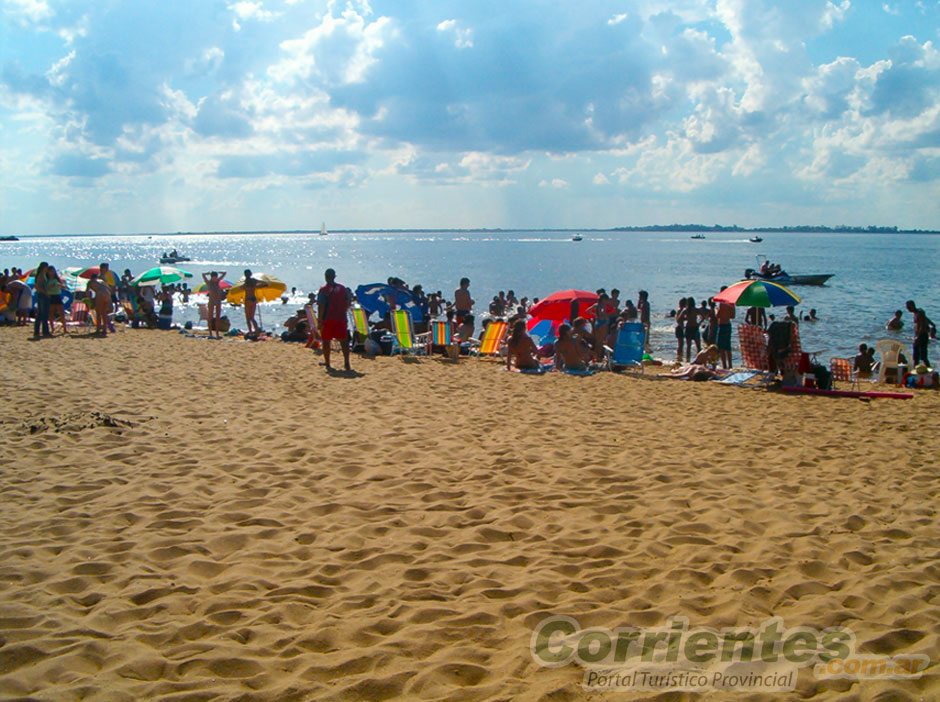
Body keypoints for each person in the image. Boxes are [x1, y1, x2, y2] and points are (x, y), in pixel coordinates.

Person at [317, 268, 352, 371]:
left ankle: (327, 363)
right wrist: (343, 311)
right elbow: (348, 302)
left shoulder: (323, 290)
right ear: (334, 276)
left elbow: (321, 306)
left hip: (327, 319)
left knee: (326, 341)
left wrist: (319, 320)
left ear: (325, 277)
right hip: (341, 318)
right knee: (344, 341)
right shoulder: (342, 288)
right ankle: (347, 362)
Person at [906, 300, 935, 367]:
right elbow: (926, 319)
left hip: (922, 335)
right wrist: (932, 324)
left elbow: (922, 325)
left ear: (912, 306)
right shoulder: (917, 313)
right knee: (916, 356)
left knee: (923, 356)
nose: (908, 309)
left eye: (908, 307)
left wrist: (918, 336)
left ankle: (929, 369)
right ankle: (915, 370)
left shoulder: (919, 313)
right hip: (918, 335)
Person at [202, 271, 227, 339]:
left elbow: (225, 273)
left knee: (218, 317)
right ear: (212, 277)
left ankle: (217, 333)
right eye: (214, 277)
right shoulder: (209, 283)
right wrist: (207, 274)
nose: (215, 279)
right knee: (210, 317)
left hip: (218, 301)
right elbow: (203, 275)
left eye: (216, 277)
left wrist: (219, 272)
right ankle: (210, 333)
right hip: (211, 301)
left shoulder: (218, 281)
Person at [241, 269, 267, 334]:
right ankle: (257, 331)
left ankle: (250, 332)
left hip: (248, 299)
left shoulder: (246, 282)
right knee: (252, 318)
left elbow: (241, 288)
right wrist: (257, 286)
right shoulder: (254, 281)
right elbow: (265, 283)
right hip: (254, 299)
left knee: (248, 318)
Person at [715, 289, 735, 369]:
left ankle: (724, 365)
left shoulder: (722, 303)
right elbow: (733, 316)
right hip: (728, 325)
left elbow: (718, 315)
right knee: (728, 346)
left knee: (721, 347)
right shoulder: (731, 303)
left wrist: (716, 310)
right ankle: (730, 364)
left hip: (722, 325)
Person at [46, 266, 69, 335]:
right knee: (51, 313)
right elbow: (46, 287)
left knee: (61, 313)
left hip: (57, 295)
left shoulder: (56, 279)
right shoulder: (47, 279)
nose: (52, 273)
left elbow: (64, 286)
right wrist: (51, 286)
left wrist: (61, 285)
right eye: (50, 272)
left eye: (53, 271)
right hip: (51, 296)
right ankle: (52, 328)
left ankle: (65, 328)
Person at [32, 261, 51, 339]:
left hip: (41, 295)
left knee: (41, 314)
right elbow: (38, 286)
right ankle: (44, 331)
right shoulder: (41, 275)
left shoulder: (42, 275)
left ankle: (39, 331)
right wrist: (46, 293)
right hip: (42, 295)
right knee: (43, 314)